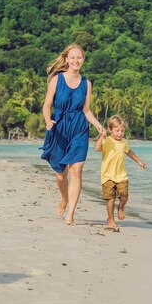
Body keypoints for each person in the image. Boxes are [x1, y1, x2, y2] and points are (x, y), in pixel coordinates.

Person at [40, 43, 106, 225]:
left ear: (83, 60)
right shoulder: (56, 80)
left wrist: (98, 125)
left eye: (80, 57)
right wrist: (47, 120)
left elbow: (86, 110)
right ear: (67, 59)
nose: (76, 60)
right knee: (61, 173)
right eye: (73, 57)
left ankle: (71, 214)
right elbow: (47, 105)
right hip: (59, 127)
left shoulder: (87, 84)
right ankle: (64, 198)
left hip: (79, 128)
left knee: (76, 170)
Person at [94, 115, 146, 230]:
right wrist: (101, 137)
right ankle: (111, 220)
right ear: (110, 129)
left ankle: (121, 208)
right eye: (117, 130)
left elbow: (129, 152)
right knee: (110, 199)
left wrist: (139, 161)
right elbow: (97, 149)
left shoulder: (124, 142)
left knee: (124, 196)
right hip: (107, 176)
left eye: (122, 131)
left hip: (121, 175)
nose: (120, 133)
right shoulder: (107, 141)